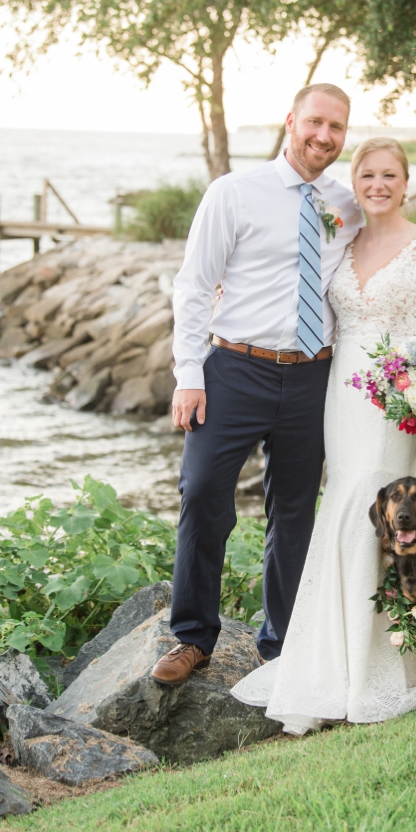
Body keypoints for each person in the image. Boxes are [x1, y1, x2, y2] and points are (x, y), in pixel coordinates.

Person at [232, 137, 416, 732]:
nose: (378, 184)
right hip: (339, 395)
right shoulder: (341, 239)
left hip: (396, 406)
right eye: (367, 174)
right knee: (340, 505)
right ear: (356, 180)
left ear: (406, 182)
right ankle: (331, 657)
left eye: (390, 175)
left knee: (373, 511)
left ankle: (378, 665)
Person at [152, 83, 361, 687]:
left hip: (312, 375)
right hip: (233, 369)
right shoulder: (233, 193)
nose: (324, 137)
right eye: (315, 123)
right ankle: (192, 637)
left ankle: (283, 645)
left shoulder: (345, 205)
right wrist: (188, 375)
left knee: (294, 511)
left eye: (337, 129)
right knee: (201, 494)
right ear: (291, 121)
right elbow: (194, 285)